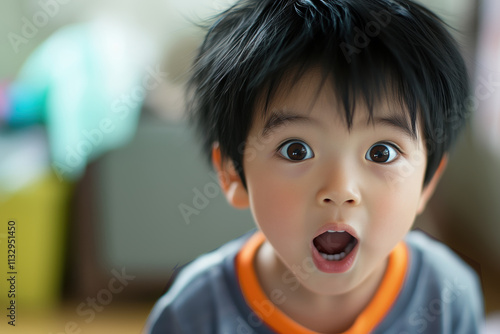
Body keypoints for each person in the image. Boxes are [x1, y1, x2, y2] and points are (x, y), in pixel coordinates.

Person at [144, 0, 484, 333]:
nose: (340, 189)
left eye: (382, 152)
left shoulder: (447, 295)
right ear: (232, 173)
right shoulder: (192, 315)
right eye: (296, 151)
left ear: (427, 182)